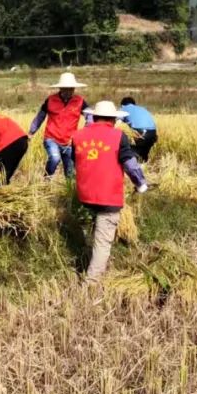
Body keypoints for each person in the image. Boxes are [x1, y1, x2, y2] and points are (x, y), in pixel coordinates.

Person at [72, 100, 149, 282]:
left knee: (92, 229)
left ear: (95, 116)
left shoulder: (78, 135)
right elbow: (130, 164)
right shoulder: (118, 136)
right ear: (113, 119)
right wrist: (141, 184)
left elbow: (77, 163)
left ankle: (85, 259)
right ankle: (92, 283)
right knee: (103, 241)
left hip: (84, 194)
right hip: (108, 196)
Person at [28, 72, 90, 179]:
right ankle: (47, 180)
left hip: (70, 141)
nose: (68, 91)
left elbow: (90, 118)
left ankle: (68, 192)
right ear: (60, 88)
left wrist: (82, 134)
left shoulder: (80, 101)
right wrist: (31, 132)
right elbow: (40, 117)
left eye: (71, 89)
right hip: (52, 138)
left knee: (70, 172)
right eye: (65, 89)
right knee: (54, 158)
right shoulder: (51, 100)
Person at [120, 96, 158, 162]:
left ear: (122, 105)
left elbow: (116, 123)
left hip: (140, 133)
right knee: (144, 154)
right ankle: (144, 167)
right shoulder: (142, 108)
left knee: (130, 151)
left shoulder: (124, 109)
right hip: (153, 133)